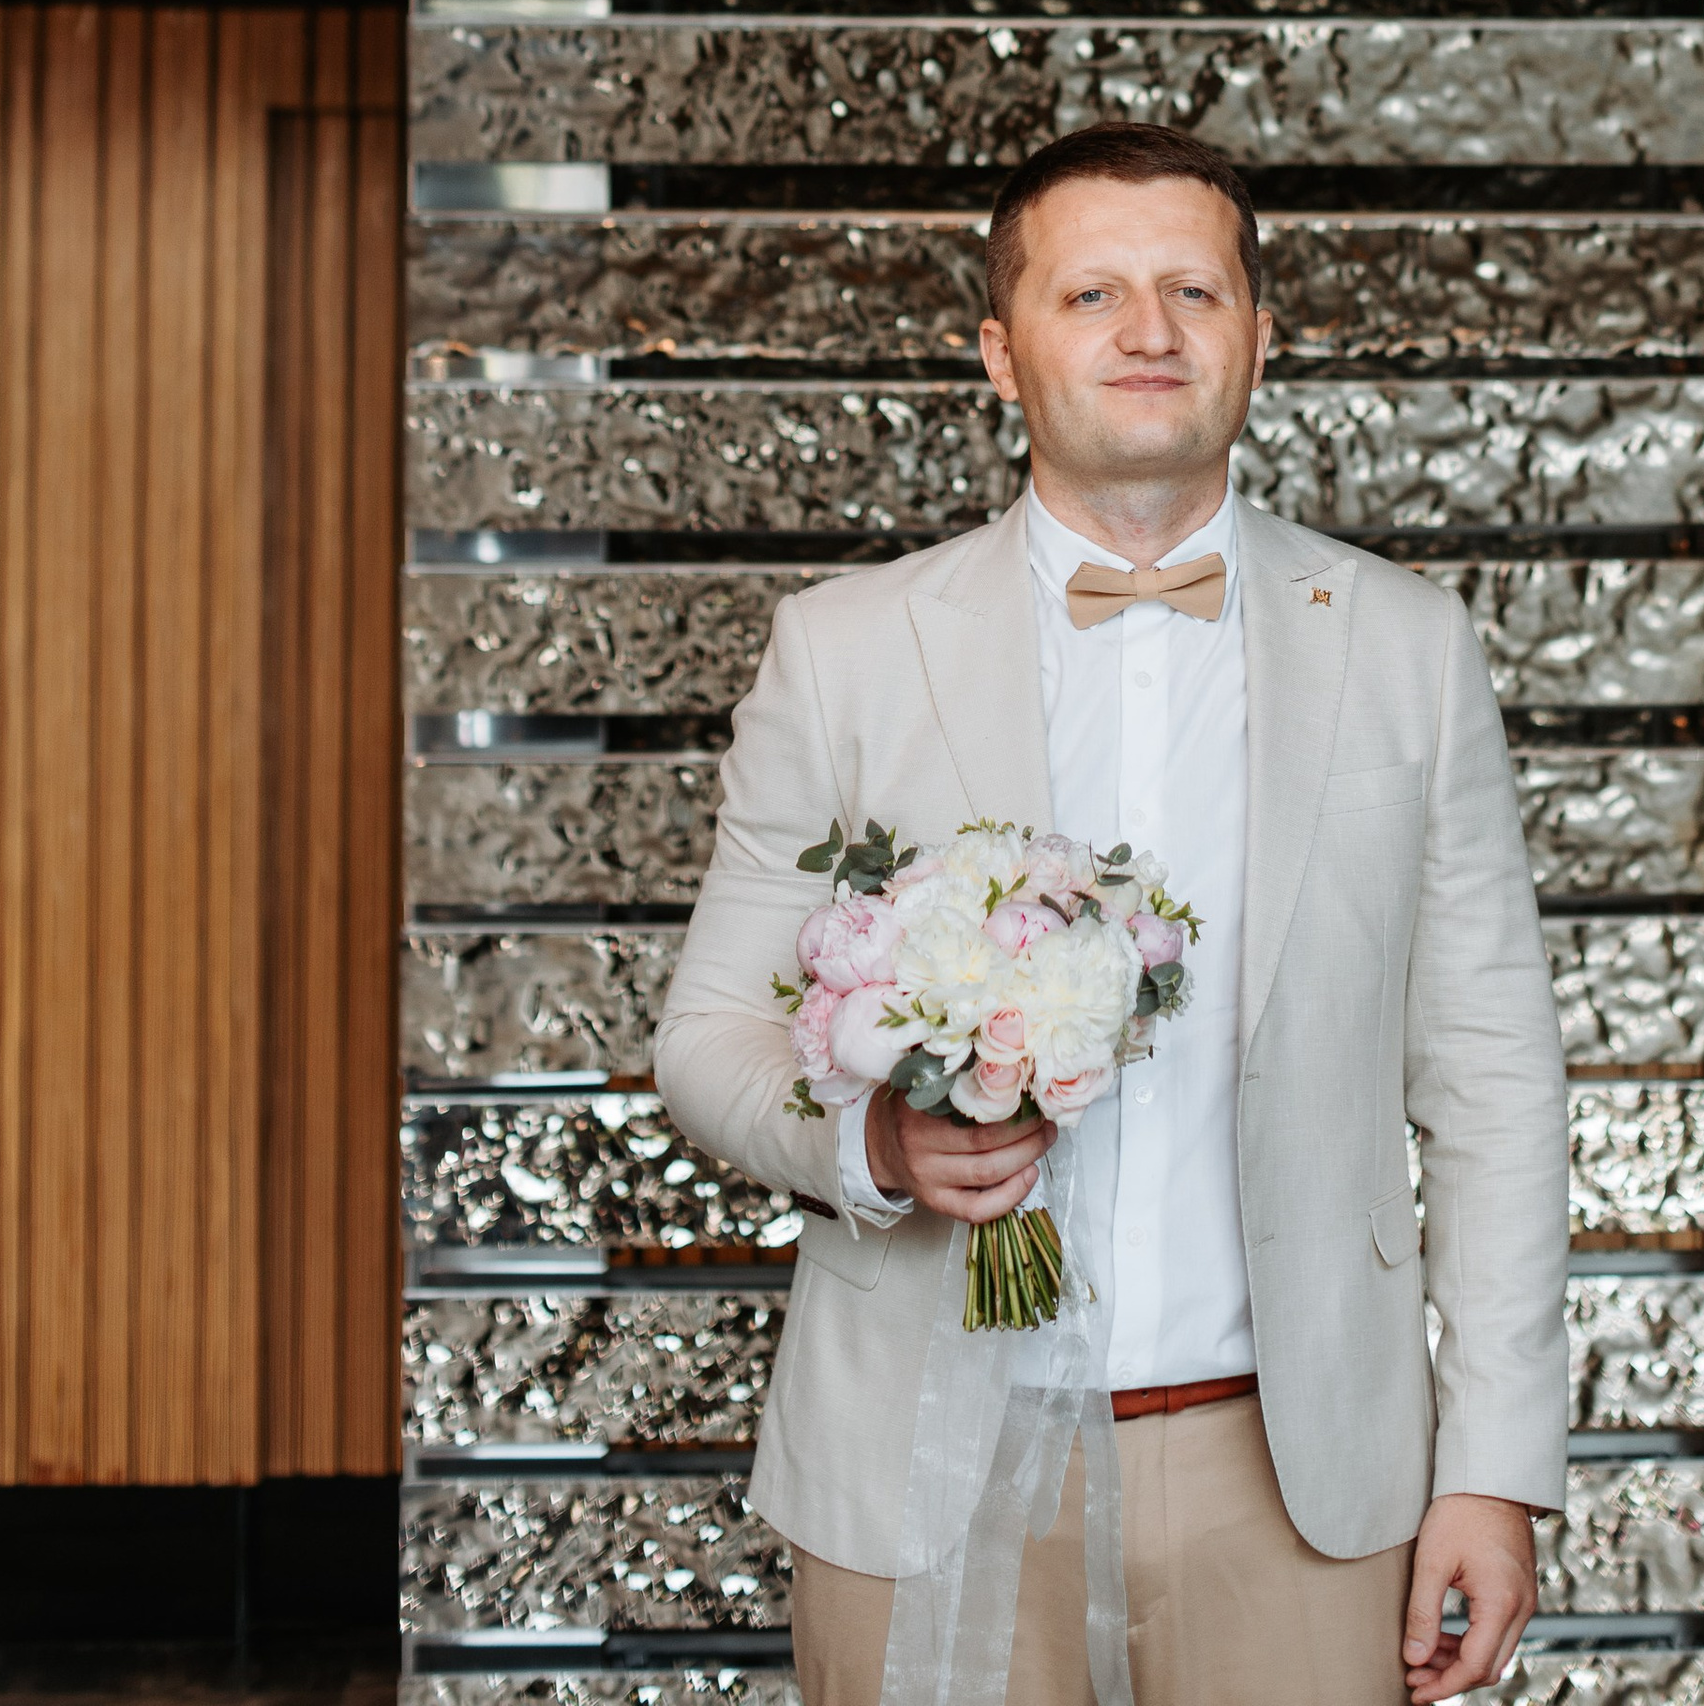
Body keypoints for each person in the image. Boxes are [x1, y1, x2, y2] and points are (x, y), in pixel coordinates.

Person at [654, 120, 1569, 1706]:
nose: (1149, 333)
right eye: (1093, 295)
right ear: (1002, 355)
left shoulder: (1412, 649)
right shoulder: (843, 649)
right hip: (922, 1459)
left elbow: (1495, 1085)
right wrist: (874, 1146)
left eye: (1193, 292)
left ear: (1260, 341)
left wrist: (1493, 1471)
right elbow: (709, 1040)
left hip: (1297, 1484)